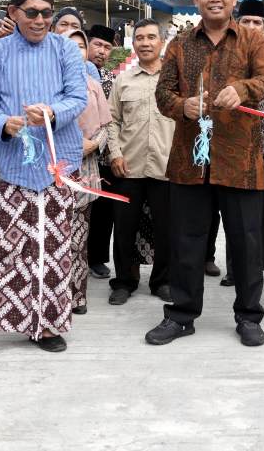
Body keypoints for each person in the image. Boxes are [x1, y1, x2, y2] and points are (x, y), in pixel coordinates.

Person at [0, 0, 87, 361]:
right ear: (13, 13)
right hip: (15, 164)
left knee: (54, 246)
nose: (41, 20)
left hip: (59, 162)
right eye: (32, 13)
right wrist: (3, 124)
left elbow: (77, 98)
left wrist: (51, 113)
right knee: (10, 247)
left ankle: (45, 323)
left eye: (47, 13)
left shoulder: (65, 50)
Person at [147, 0, 264, 347]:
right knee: (186, 243)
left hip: (241, 163)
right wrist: (181, 106)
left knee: (246, 244)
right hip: (191, 162)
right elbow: (162, 93)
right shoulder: (179, 44)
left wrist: (243, 89)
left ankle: (249, 317)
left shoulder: (253, 40)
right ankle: (182, 315)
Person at [107, 18, 175, 305]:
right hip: (129, 167)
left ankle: (162, 280)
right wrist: (115, 153)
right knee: (124, 228)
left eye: (151, 37)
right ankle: (124, 281)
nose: (145, 43)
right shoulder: (122, 80)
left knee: (167, 228)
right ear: (132, 43)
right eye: (139, 38)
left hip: (166, 168)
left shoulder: (174, 81)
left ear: (162, 42)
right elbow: (111, 121)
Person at [63, 28, 110, 315]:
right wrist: (69, 144)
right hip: (55, 169)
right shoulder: (47, 82)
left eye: (81, 46)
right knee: (56, 236)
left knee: (79, 238)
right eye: (70, 45)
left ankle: (76, 295)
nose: (77, 50)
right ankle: (53, 296)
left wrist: (93, 144)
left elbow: (106, 124)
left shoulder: (92, 84)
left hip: (87, 167)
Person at [235, 0, 264, 287]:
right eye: (246, 21)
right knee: (237, 212)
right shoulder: (229, 55)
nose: (251, 27)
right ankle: (235, 267)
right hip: (237, 147)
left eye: (257, 23)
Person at [86, 24, 117, 280]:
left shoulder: (110, 79)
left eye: (107, 47)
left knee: (102, 210)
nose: (102, 51)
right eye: (97, 45)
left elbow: (111, 120)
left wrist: (100, 143)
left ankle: (96, 257)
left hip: (102, 153)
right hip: (73, 152)